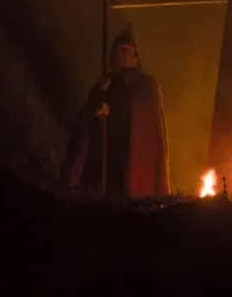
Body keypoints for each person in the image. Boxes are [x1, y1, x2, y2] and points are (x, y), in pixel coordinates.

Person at [60, 24, 170, 201]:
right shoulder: (104, 86)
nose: (122, 56)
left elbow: (155, 136)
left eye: (127, 51)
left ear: (136, 57)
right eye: (119, 51)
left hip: (140, 171)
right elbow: (86, 127)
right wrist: (99, 107)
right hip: (110, 164)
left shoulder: (148, 87)